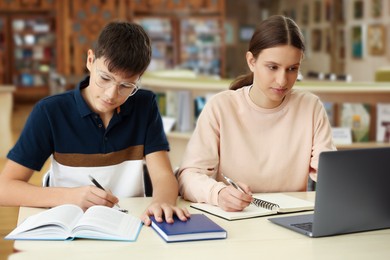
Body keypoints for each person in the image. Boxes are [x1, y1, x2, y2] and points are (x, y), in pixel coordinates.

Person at [0, 21, 190, 226]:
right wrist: (67, 197)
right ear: (90, 60)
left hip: (130, 222)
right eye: (105, 78)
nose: (111, 94)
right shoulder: (50, 112)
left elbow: (163, 175)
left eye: (126, 86)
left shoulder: (144, 105)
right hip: (68, 226)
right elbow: (4, 189)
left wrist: (162, 202)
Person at [177, 15, 336, 212]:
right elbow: (188, 176)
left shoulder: (311, 107)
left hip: (290, 220)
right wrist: (218, 194)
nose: (282, 81)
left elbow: (329, 173)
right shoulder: (221, 107)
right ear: (251, 61)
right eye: (272, 67)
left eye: (292, 69)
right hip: (236, 220)